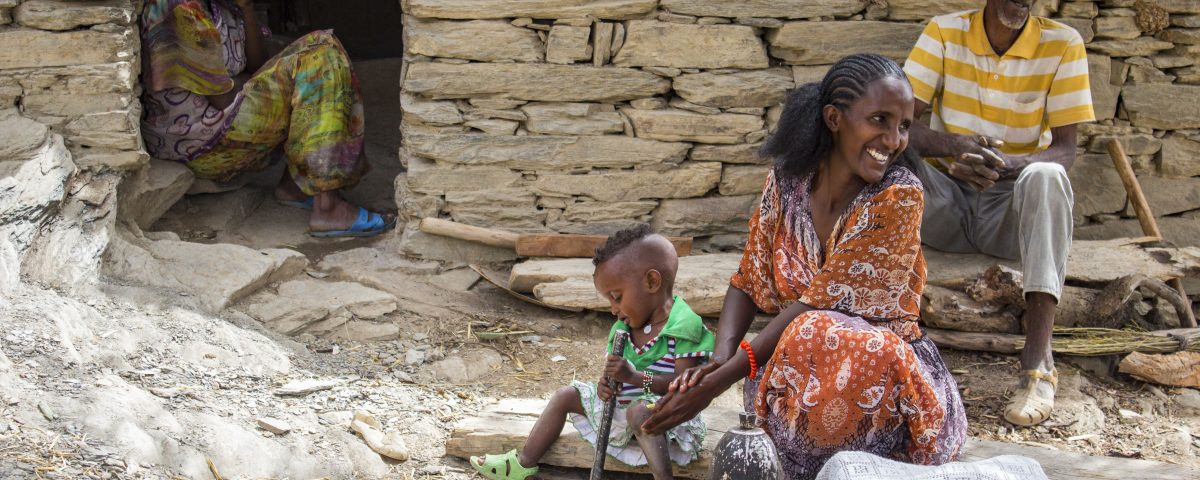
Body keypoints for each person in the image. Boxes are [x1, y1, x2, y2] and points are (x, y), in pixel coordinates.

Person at [640, 54, 967, 479]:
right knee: (804, 336)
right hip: (795, 379)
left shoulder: (899, 196)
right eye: (880, 120)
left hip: (885, 386)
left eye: (904, 126)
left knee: (819, 330)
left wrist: (712, 388)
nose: (893, 140)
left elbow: (817, 305)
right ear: (834, 118)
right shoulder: (788, 179)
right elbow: (747, 278)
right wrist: (718, 362)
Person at [902, 0, 1094, 426]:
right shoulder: (945, 33)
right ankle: (871, 327)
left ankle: (1038, 358)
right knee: (884, 155)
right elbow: (900, 125)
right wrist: (956, 149)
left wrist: (1008, 167)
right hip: (943, 202)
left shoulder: (1062, 43)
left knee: (1046, 175)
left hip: (1009, 212)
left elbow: (1065, 149)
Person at [469, 224, 715, 480]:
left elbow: (684, 390)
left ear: (652, 282)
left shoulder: (684, 327)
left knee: (639, 410)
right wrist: (605, 385)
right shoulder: (624, 328)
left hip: (666, 420)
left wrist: (635, 378)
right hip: (623, 413)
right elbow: (613, 375)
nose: (612, 308)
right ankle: (522, 464)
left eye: (617, 297)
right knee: (566, 395)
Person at [140, 0, 394, 237]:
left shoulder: (219, 5)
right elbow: (224, 99)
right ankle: (327, 207)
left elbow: (257, 63)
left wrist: (246, 8)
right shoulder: (176, 8)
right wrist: (257, 82)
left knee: (317, 52)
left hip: (223, 124)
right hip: (201, 147)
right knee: (321, 56)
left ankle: (295, 185)